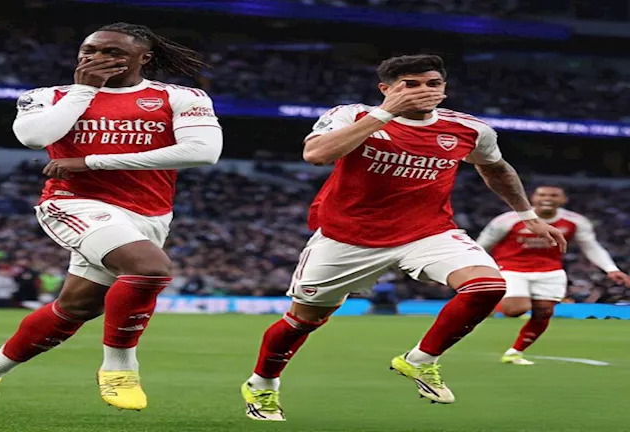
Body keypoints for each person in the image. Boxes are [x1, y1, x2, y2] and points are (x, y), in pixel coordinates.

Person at [239, 54, 567, 421]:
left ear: (444, 88)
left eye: (433, 83)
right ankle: (262, 384)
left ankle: (421, 360)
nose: (424, 91)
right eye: (411, 84)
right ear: (386, 88)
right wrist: (386, 113)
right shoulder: (353, 115)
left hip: (428, 232)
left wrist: (527, 216)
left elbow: (496, 168)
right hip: (348, 237)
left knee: (487, 286)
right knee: (304, 320)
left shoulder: (469, 129)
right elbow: (316, 154)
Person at [0, 22, 222, 413]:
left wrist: (93, 160)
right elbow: (34, 138)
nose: (97, 58)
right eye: (90, 50)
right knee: (149, 268)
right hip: (72, 203)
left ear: (144, 58)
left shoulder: (179, 96)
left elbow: (202, 151)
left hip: (149, 213)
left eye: (113, 52)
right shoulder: (47, 96)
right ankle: (120, 369)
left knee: (77, 309)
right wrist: (84, 90)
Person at [477, 185, 630, 365]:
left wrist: (611, 269)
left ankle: (515, 352)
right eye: (542, 195)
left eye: (554, 195)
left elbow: (590, 246)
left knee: (544, 312)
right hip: (511, 268)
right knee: (514, 310)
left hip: (551, 271)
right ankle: (486, 303)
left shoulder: (575, 221)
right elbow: (483, 244)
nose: (547, 198)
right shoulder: (507, 220)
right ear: (532, 198)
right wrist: (474, 266)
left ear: (563, 199)